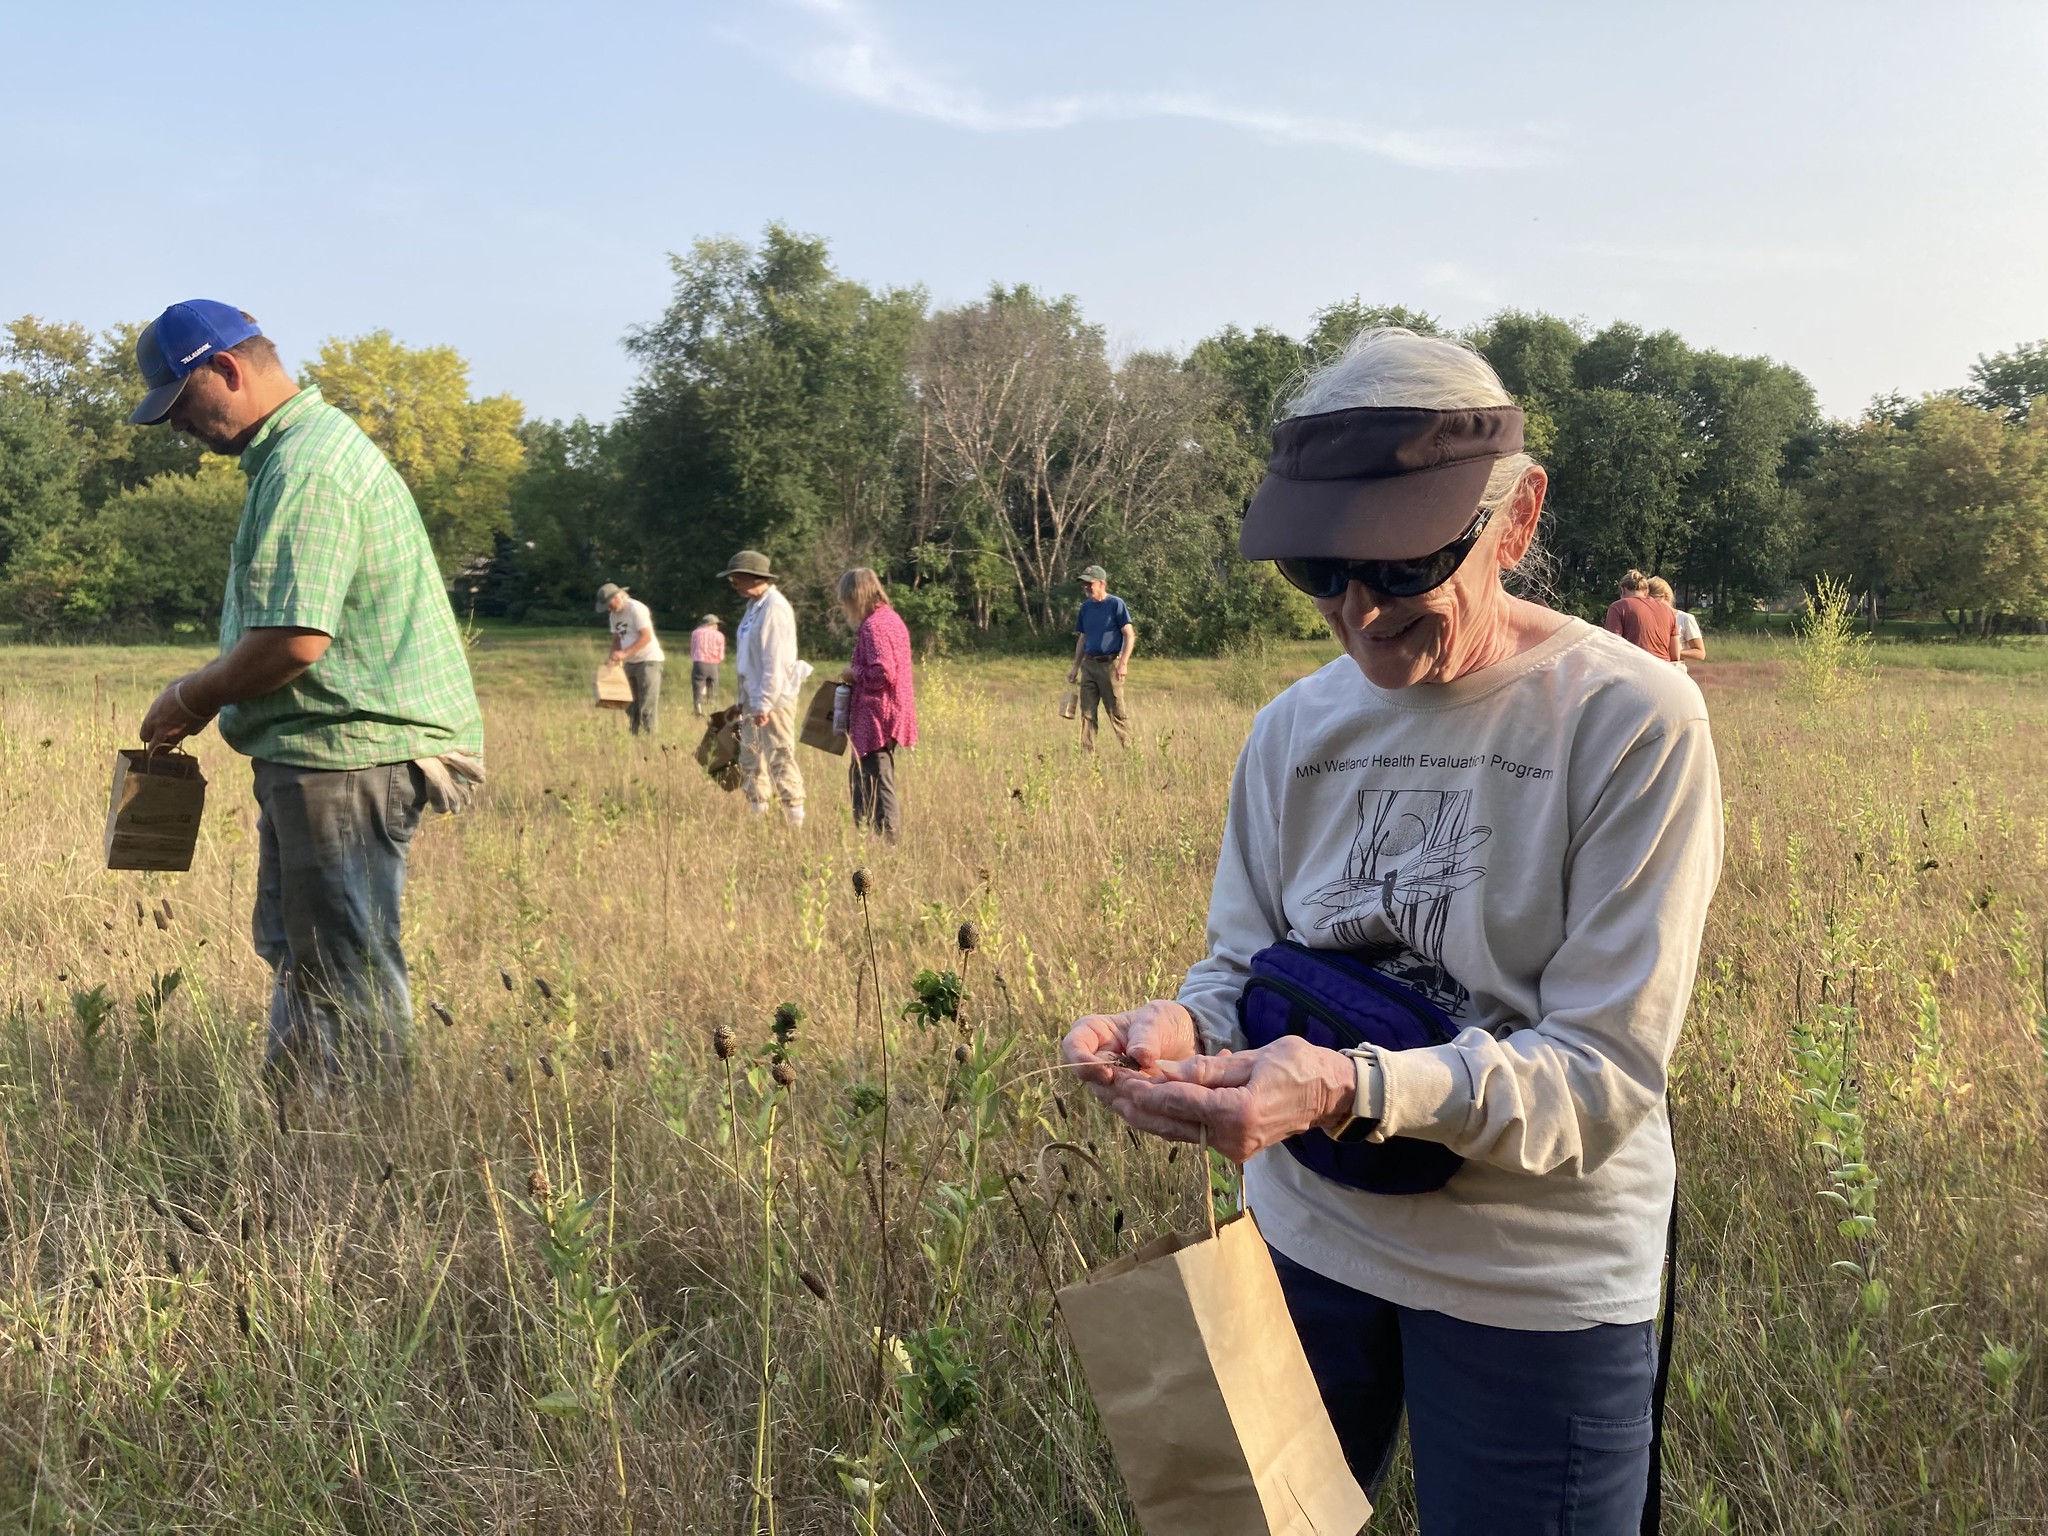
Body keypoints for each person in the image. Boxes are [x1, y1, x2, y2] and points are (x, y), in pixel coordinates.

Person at [1060, 328, 1722, 1530]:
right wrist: (1174, 1028)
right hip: (1300, 1236)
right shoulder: (1289, 729)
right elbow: (1238, 965)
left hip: (1531, 1284)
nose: (1360, 610)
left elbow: (1603, 1071)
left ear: (1514, 521)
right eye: (1318, 567)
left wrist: (1345, 1087)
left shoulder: (1628, 722)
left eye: (1404, 562)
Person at [131, 300, 484, 1086]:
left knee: (343, 959)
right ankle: (303, 1132)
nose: (178, 429)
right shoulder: (294, 458)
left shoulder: (309, 468)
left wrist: (192, 697)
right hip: (325, 751)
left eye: (180, 406)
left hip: (351, 752)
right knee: (303, 950)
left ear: (224, 369)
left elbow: (295, 640)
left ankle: (363, 1149)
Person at [721, 549, 806, 826]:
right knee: (751, 757)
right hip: (753, 697)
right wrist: (744, 700)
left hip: (774, 698)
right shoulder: (753, 608)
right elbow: (750, 660)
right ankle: (759, 814)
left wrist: (765, 703)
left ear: (753, 576)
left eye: (737, 578)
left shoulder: (775, 608)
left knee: (779, 755)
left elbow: (776, 661)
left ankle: (795, 819)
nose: (733, 583)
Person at [835, 567, 917, 843]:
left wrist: (852, 674)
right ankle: (871, 839)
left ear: (856, 595)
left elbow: (883, 672)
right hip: (887, 711)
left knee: (876, 780)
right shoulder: (890, 619)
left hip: (876, 716)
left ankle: (887, 843)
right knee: (867, 778)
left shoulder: (874, 626)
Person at [1067, 563, 1134, 750]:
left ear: (1101, 584)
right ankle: (1088, 756)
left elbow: (1129, 634)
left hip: (1110, 665)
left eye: (1090, 583)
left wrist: (1123, 664)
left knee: (1116, 713)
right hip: (1089, 665)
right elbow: (1083, 638)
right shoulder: (1085, 607)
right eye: (1084, 584)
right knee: (1087, 713)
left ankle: (1131, 753)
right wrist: (1075, 668)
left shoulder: (1116, 604)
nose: (1086, 587)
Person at [598, 582, 664, 735]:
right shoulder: (613, 615)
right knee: (629, 704)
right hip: (630, 662)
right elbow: (616, 639)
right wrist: (611, 660)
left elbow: (646, 637)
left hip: (649, 661)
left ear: (617, 596)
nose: (608, 609)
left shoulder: (636, 609)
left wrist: (624, 654)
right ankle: (634, 736)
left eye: (609, 604)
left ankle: (650, 739)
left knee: (647, 705)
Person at [1603, 569, 1679, 662]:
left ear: (1622, 590)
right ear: (1646, 591)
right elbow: (1675, 655)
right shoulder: (1668, 610)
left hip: (1635, 665)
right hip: (1664, 667)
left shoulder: (1618, 607)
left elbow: (1614, 645)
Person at [1646, 577, 1706, 669]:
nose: (1649, 604)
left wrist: (1675, 652)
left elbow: (1700, 653)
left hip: (1675, 670)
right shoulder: (1646, 619)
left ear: (1665, 596)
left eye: (1653, 599)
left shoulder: (1685, 618)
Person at [690, 613, 726, 715]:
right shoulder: (720, 635)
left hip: (700, 663)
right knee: (713, 687)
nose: (717, 627)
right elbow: (721, 654)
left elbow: (693, 650)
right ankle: (712, 709)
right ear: (713, 624)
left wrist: (694, 659)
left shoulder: (696, 633)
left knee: (698, 686)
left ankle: (698, 709)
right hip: (713, 664)